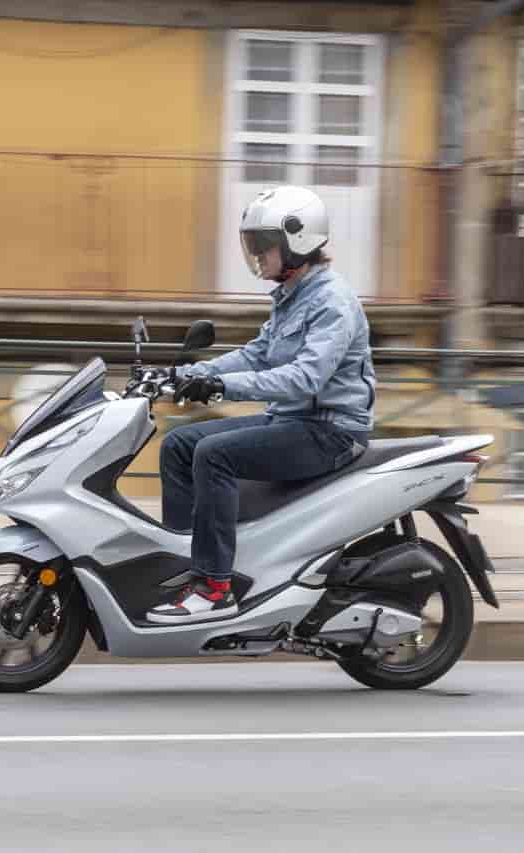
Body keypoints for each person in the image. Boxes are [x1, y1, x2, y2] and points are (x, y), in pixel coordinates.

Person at [147, 185, 377, 624]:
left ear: (297, 242)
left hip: (329, 432)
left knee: (213, 456)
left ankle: (215, 588)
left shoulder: (332, 303)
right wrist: (185, 375)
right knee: (178, 445)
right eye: (253, 245)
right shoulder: (293, 295)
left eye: (263, 245)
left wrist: (220, 386)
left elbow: (304, 378)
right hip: (292, 422)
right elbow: (257, 354)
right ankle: (186, 568)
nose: (256, 254)